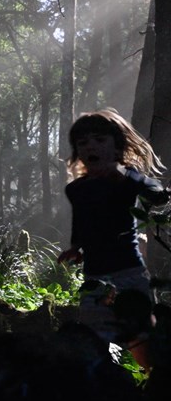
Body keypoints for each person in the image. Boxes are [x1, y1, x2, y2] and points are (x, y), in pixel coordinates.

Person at [58, 108, 170, 369]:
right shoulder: (76, 189)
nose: (90, 147)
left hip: (129, 272)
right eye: (83, 143)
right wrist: (75, 247)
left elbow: (158, 195)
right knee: (98, 336)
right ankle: (113, 383)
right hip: (95, 277)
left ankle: (153, 378)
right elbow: (81, 222)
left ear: (117, 147)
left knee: (139, 334)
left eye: (99, 140)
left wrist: (128, 176)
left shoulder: (127, 180)